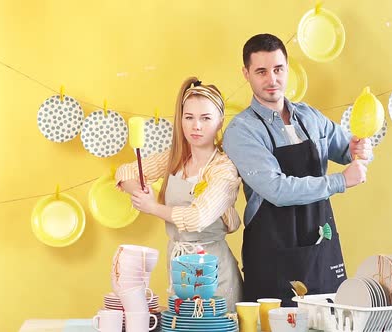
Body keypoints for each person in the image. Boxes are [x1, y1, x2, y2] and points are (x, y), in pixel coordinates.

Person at [223, 34, 373, 306]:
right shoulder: (241, 131)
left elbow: (346, 148)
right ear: (246, 74)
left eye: (278, 69)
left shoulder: (310, 117)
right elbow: (277, 190)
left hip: (320, 247)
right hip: (273, 253)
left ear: (287, 68)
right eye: (261, 71)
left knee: (333, 320)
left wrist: (361, 148)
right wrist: (340, 181)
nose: (272, 79)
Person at [115, 77, 243, 311]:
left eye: (206, 118)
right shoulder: (175, 159)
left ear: (220, 122)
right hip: (178, 265)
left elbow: (198, 218)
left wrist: (153, 207)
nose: (196, 126)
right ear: (180, 120)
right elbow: (126, 172)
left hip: (213, 271)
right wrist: (139, 192)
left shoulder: (223, 168)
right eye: (189, 117)